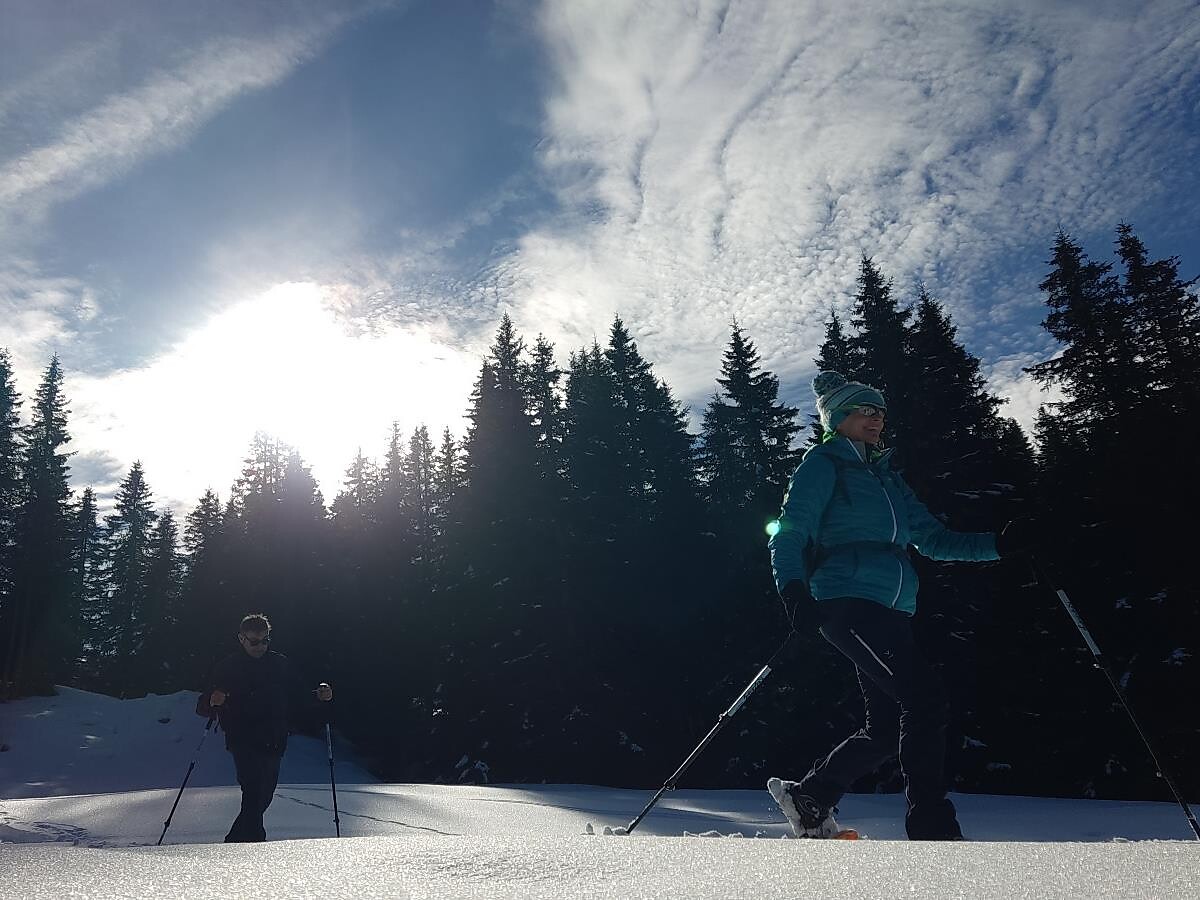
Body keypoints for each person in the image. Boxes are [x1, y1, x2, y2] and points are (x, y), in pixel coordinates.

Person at [766, 371, 1034, 840]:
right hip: (846, 602)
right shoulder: (824, 465)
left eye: (880, 413)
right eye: (865, 411)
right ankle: (932, 824)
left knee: (887, 728)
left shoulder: (888, 480)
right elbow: (790, 530)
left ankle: (811, 796)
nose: (876, 420)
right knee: (925, 698)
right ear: (838, 418)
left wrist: (1001, 545)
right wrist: (793, 590)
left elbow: (934, 539)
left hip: (892, 609)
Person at [196, 613, 334, 843]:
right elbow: (203, 705)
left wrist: (320, 696)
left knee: (263, 796)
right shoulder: (228, 667)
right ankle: (255, 847)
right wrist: (213, 699)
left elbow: (299, 696)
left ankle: (233, 844)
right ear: (241, 639)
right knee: (253, 791)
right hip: (242, 738)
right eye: (254, 641)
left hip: (274, 737)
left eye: (265, 640)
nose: (260, 646)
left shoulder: (280, 664)